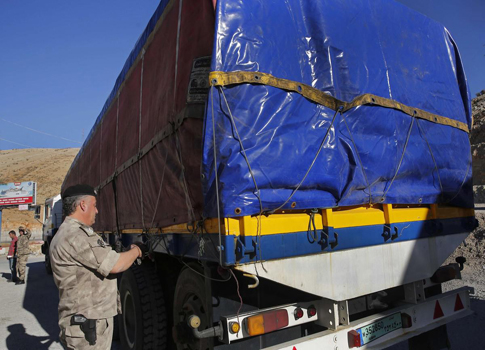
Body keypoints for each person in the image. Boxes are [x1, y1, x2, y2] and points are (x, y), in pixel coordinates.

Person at [50, 184, 147, 350]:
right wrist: (137, 250)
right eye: (94, 205)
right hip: (87, 325)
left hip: (84, 322)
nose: (97, 211)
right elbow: (115, 265)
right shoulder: (76, 236)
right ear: (83, 205)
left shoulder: (65, 233)